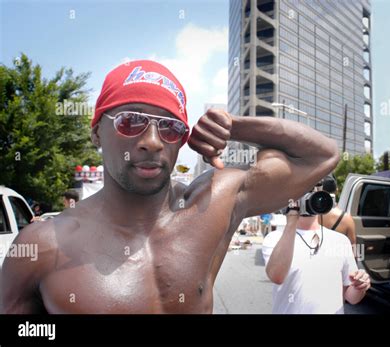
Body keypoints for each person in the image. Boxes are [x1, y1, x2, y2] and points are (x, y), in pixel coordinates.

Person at [2, 59, 339, 313]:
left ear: (184, 141)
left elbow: (321, 155)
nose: (151, 141)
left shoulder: (212, 202)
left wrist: (234, 126)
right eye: (130, 121)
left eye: (170, 128)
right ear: (96, 133)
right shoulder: (43, 245)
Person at [262, 203, 370, 314]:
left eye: (312, 191)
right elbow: (277, 276)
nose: (306, 200)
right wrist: (291, 221)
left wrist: (359, 286)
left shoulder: (341, 241)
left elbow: (352, 298)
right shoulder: (274, 239)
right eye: (301, 194)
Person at [318, 175, 356, 246]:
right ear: (337, 191)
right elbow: (353, 249)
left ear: (319, 190)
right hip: (336, 255)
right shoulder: (347, 219)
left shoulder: (310, 215)